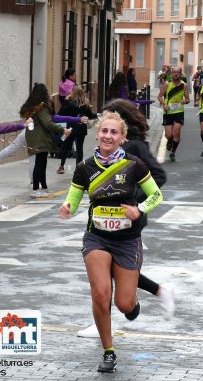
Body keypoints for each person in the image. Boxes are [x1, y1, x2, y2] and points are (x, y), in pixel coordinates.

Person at [58, 112, 163, 373]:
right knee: (101, 293)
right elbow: (73, 198)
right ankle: (108, 351)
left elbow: (156, 195)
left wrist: (139, 208)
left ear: (122, 138)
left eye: (114, 132)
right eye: (104, 131)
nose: (108, 136)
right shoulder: (85, 168)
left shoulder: (134, 164)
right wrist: (67, 207)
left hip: (127, 240)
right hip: (97, 237)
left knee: (123, 304)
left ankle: (133, 302)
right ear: (97, 134)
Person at [103, 99, 175, 319]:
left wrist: (136, 202)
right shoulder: (113, 146)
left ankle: (146, 298)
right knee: (107, 270)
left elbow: (159, 175)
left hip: (127, 219)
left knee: (110, 270)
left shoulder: (135, 146)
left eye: (109, 117)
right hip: (106, 218)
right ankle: (152, 295)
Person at [20, 83, 72, 198]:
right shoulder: (42, 107)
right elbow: (47, 123)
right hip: (40, 138)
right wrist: (63, 129)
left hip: (33, 136)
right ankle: (35, 188)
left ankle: (43, 186)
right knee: (40, 163)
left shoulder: (32, 106)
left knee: (41, 162)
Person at [56, 87, 95, 173]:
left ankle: (62, 166)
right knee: (79, 149)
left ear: (75, 93)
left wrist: (66, 100)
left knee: (66, 147)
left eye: (72, 91)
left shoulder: (71, 104)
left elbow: (62, 113)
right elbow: (91, 115)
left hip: (71, 129)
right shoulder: (85, 105)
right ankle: (78, 169)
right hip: (81, 129)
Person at [158, 66, 190, 162]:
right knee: (168, 135)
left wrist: (185, 101)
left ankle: (173, 152)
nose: (176, 74)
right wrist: (164, 104)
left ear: (180, 74)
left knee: (176, 132)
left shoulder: (184, 85)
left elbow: (188, 99)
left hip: (179, 111)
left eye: (178, 72)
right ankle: (169, 140)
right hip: (168, 112)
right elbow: (159, 97)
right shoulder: (167, 84)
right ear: (171, 74)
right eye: (174, 72)